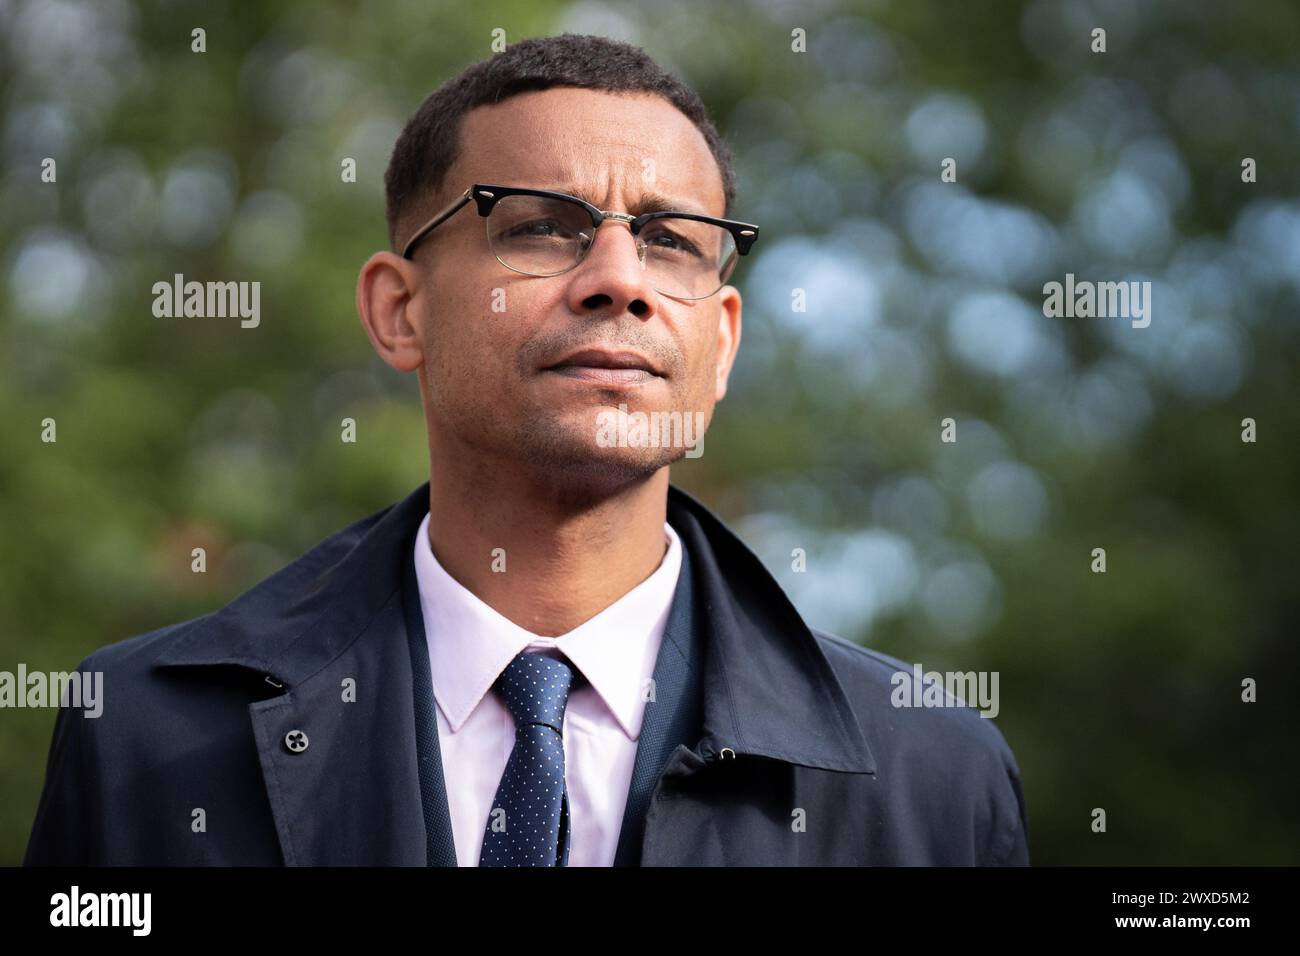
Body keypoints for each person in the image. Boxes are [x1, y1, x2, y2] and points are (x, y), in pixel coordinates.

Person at [25, 33, 1028, 866]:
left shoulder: (929, 776)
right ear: (398, 309)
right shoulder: (148, 734)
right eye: (546, 228)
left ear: (720, 341)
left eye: (671, 240)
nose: (618, 279)